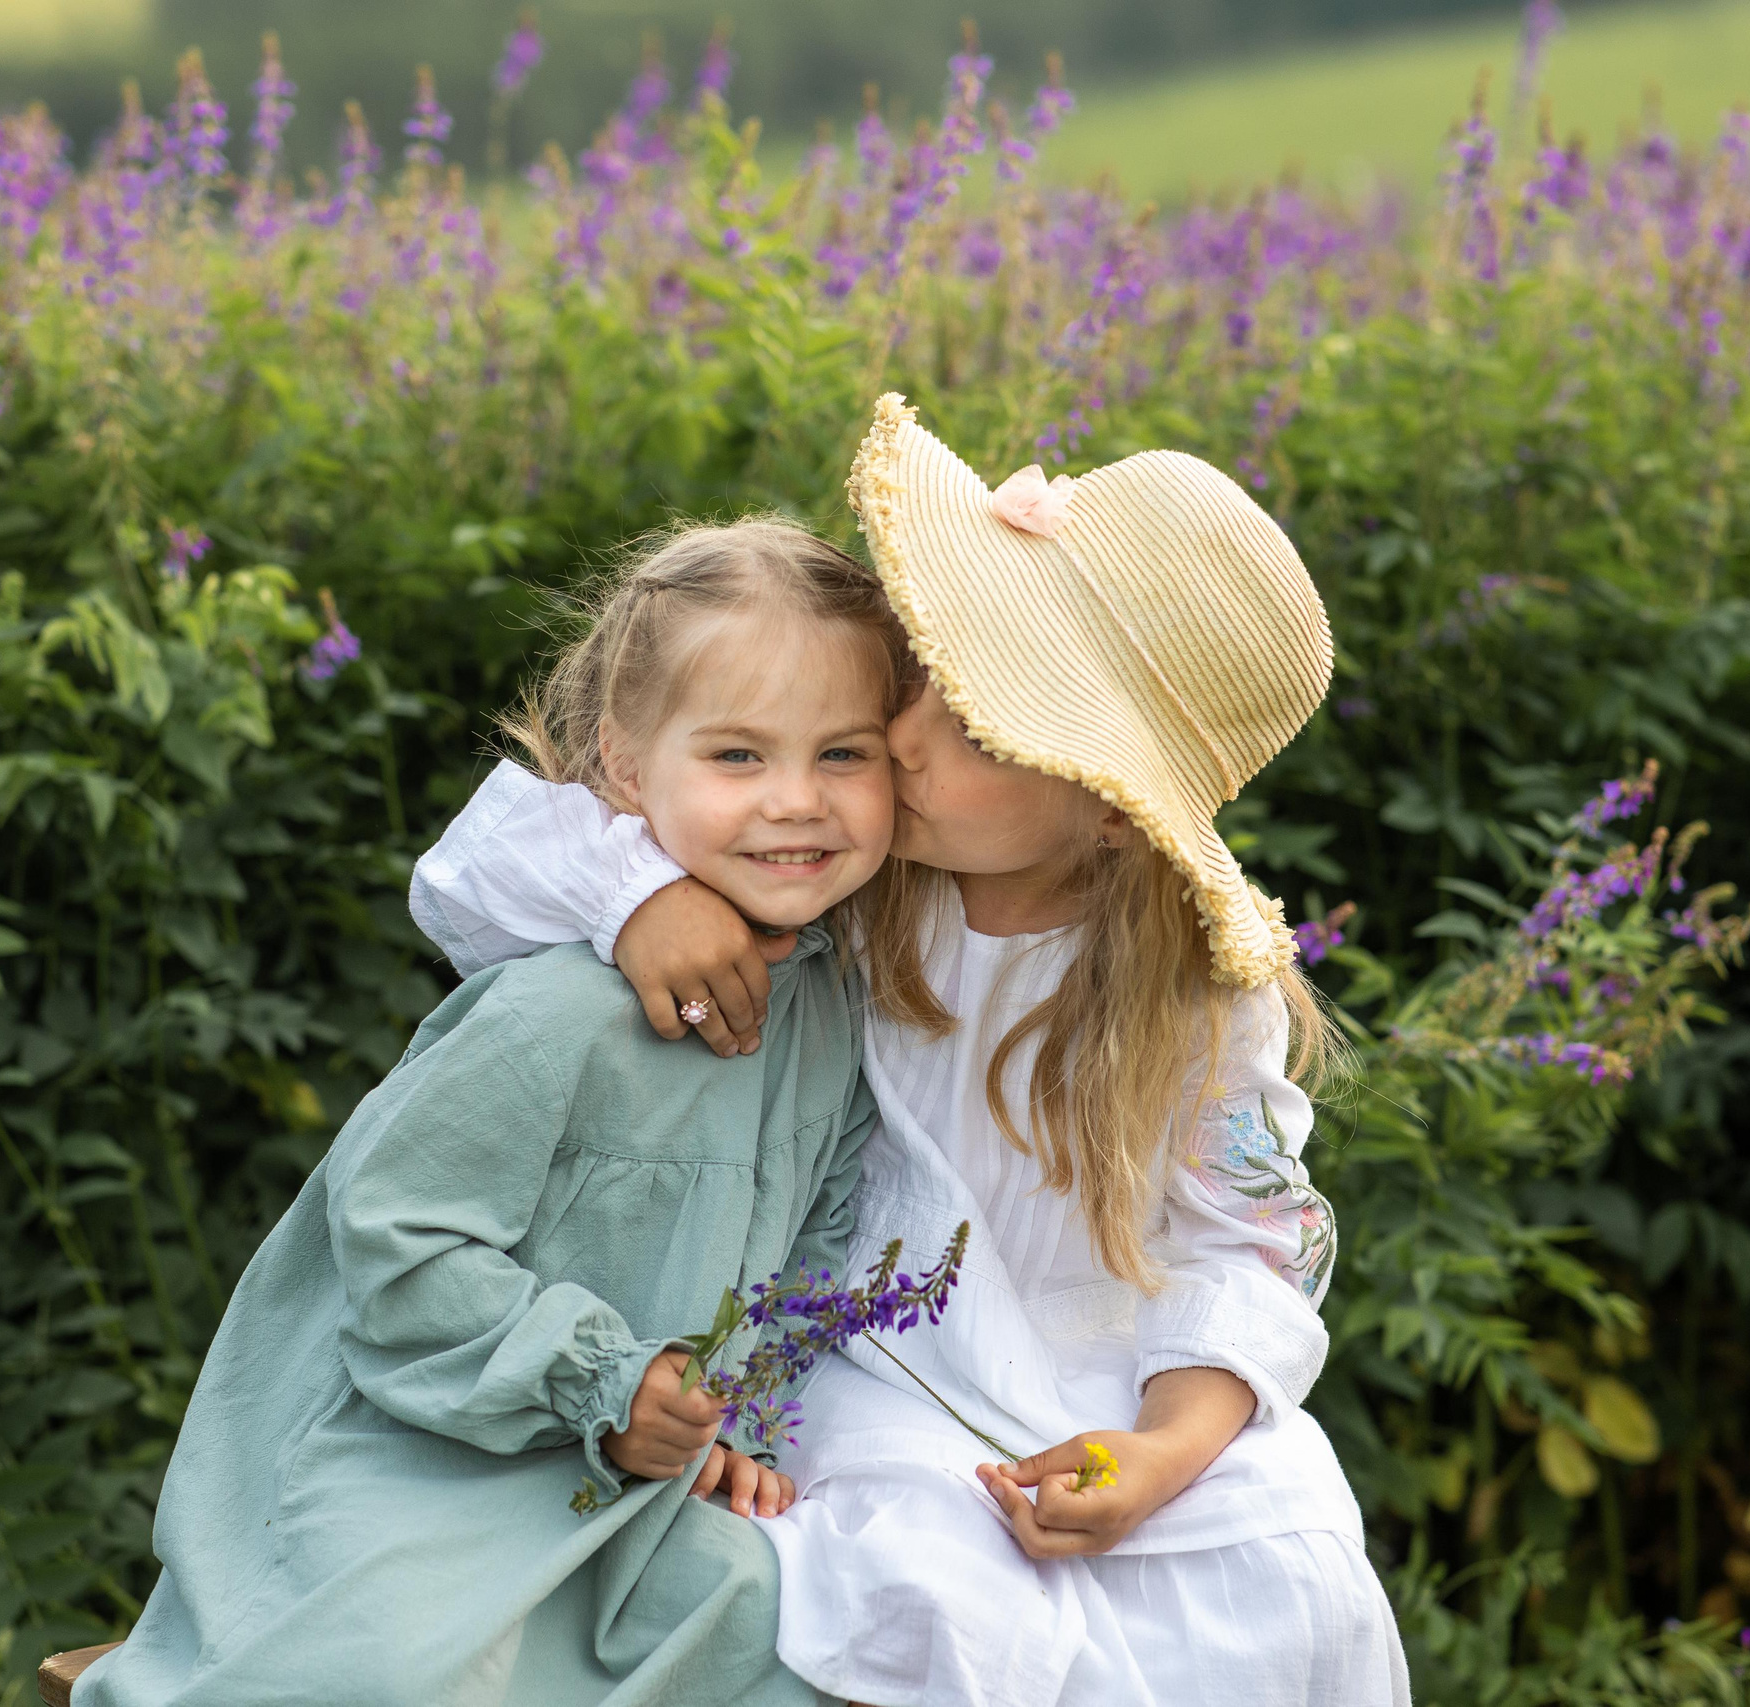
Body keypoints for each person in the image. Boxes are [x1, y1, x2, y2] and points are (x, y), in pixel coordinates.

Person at [406, 394, 1411, 1706]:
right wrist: (637, 897)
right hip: (857, 1351)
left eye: (986, 727)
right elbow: (485, 862)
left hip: (1105, 1374)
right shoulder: (842, 877)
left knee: (1283, 1565)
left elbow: (1247, 1245)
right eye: (927, 670)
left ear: (1114, 815)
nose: (908, 733)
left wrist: (1167, 1447)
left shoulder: (1193, 995)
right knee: (934, 1576)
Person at [77, 520, 907, 1707]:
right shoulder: (557, 1014)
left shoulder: (827, 1005)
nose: (796, 801)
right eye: (735, 756)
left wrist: (737, 1421)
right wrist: (602, 1383)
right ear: (627, 767)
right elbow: (398, 1246)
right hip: (434, 1448)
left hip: (633, 1477)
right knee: (394, 1677)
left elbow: (818, 1235)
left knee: (792, 1631)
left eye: (844, 754)